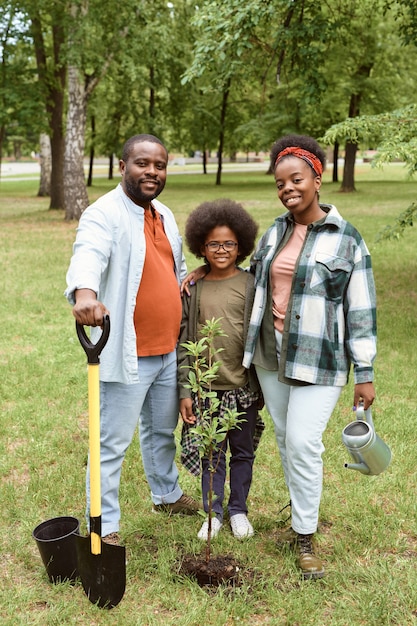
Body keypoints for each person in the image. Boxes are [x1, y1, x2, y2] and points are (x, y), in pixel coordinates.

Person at [242, 134, 377, 578]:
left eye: (296, 179)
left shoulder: (348, 240)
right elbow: (253, 280)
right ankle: (299, 513)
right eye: (280, 183)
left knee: (302, 441)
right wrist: (207, 272)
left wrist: (365, 371)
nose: (287, 189)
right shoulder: (274, 231)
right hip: (270, 356)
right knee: (285, 441)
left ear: (317, 179)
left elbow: (360, 310)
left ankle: (305, 536)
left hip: (320, 361)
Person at [65, 133, 200, 546]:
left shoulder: (163, 213)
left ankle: (166, 494)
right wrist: (86, 293)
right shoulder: (103, 213)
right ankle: (103, 526)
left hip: (166, 351)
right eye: (142, 163)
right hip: (127, 353)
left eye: (159, 165)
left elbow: (168, 267)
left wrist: (192, 276)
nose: (152, 172)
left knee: (162, 432)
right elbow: (89, 253)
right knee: (111, 444)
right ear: (123, 166)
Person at [177, 199, 262, 540]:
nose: (221, 249)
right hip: (205, 392)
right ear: (201, 246)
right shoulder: (193, 289)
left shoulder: (252, 285)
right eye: (213, 244)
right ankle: (212, 513)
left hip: (243, 389)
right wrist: (185, 391)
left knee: (243, 453)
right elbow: (184, 341)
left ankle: (238, 510)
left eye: (229, 243)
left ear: (240, 245)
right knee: (212, 454)